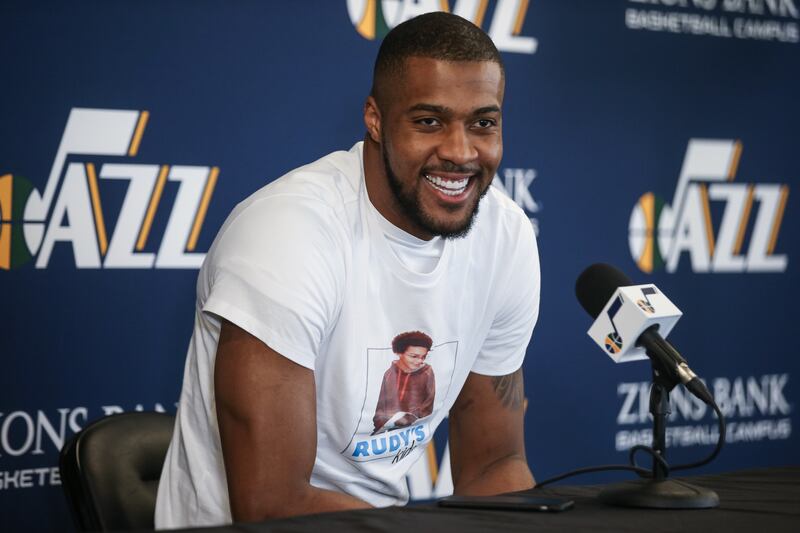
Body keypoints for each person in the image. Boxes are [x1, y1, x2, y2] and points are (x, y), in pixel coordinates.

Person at [155, 11, 540, 529]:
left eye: (483, 123)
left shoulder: (505, 235)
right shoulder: (287, 233)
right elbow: (272, 505)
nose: (459, 151)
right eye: (429, 121)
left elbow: (495, 465)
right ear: (376, 119)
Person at [372, 331, 436, 434]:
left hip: (413, 432)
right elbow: (380, 409)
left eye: (423, 357)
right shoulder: (388, 374)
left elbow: (427, 407)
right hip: (385, 434)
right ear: (399, 353)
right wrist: (381, 426)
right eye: (414, 356)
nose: (419, 361)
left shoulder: (427, 373)